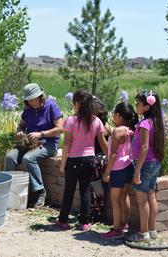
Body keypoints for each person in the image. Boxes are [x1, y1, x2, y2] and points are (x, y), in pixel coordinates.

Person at [4, 83, 63, 208]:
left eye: (32, 99)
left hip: (48, 144)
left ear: (40, 96)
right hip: (29, 144)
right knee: (10, 157)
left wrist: (41, 134)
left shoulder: (51, 106)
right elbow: (21, 125)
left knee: (28, 158)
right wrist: (19, 132)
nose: (30, 102)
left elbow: (60, 128)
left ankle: (40, 191)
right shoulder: (28, 109)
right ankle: (9, 190)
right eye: (28, 100)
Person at [56, 90, 108, 231]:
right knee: (85, 191)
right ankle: (84, 222)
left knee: (69, 190)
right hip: (89, 160)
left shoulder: (71, 121)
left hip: (73, 160)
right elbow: (103, 143)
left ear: (77, 104)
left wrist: (62, 163)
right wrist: (111, 155)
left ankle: (63, 220)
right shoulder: (96, 121)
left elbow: (66, 143)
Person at [128, 90, 165, 242]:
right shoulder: (156, 122)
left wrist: (137, 172)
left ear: (147, 107)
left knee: (142, 199)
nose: (136, 106)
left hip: (144, 165)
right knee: (151, 195)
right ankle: (152, 230)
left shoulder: (144, 124)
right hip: (155, 162)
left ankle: (143, 234)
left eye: (138, 104)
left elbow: (144, 147)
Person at [100, 102, 138, 239]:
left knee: (115, 200)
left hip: (117, 168)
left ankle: (116, 230)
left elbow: (114, 154)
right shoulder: (130, 130)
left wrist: (107, 172)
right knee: (124, 196)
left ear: (118, 115)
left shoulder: (117, 131)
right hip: (128, 166)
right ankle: (124, 224)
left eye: (114, 115)